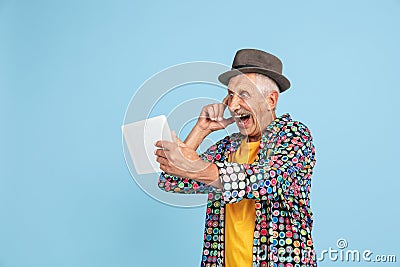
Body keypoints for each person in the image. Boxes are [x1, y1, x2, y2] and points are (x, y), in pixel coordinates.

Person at [155, 48, 317, 267]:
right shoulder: (228, 147)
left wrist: (194, 167)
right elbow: (171, 180)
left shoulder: (293, 136)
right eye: (230, 95)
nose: (231, 105)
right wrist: (201, 130)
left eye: (244, 94)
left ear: (271, 100)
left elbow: (265, 180)